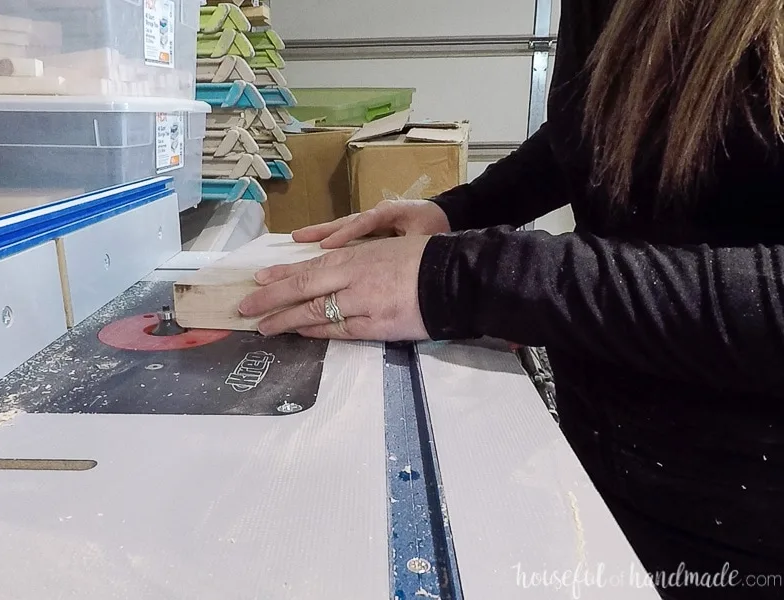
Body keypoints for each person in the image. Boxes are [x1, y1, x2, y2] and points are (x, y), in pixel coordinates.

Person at [239, 0, 784, 598]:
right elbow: (596, 125)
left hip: (742, 526)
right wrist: (457, 212)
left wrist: (481, 276)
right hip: (598, 458)